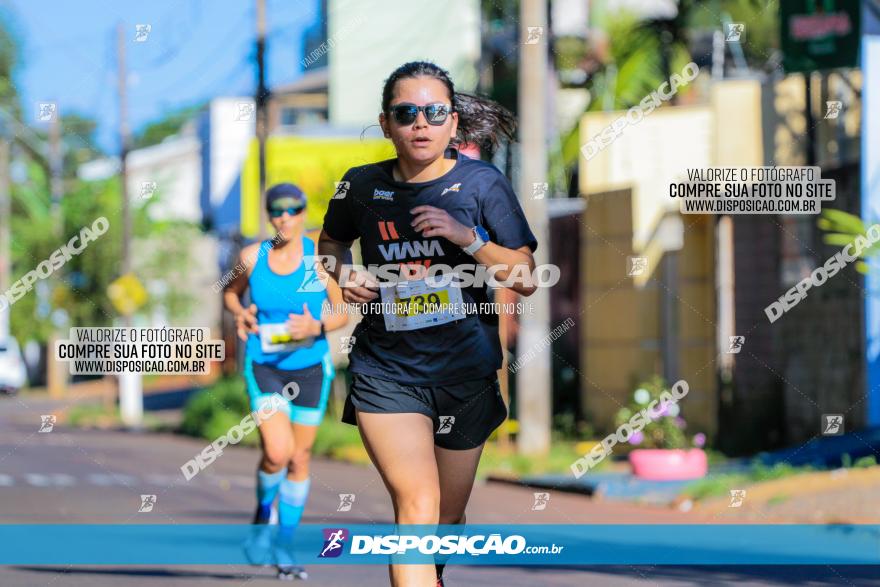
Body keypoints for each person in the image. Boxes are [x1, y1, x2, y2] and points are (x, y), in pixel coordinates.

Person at [319, 61, 538, 587]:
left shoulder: (481, 183)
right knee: (417, 505)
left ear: (453, 122)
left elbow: (525, 276)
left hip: (465, 374)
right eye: (406, 112)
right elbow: (329, 244)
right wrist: (343, 273)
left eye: (435, 111)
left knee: (446, 516)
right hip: (386, 372)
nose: (421, 122)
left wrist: (467, 237)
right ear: (387, 122)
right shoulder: (361, 185)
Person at [224, 182, 348, 580]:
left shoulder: (318, 259)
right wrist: (239, 314)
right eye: (277, 211)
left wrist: (316, 325)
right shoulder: (250, 256)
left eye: (294, 210)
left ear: (303, 212)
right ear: (269, 215)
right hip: (265, 366)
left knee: (299, 458)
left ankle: (285, 543)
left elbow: (342, 310)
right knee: (277, 451)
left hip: (311, 367)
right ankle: (263, 516)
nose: (285, 218)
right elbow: (230, 293)